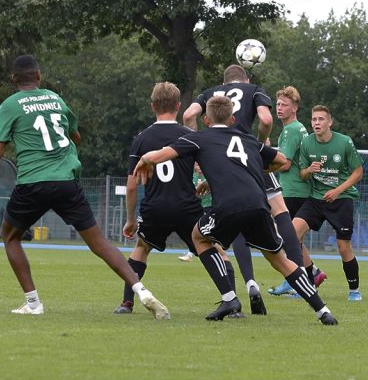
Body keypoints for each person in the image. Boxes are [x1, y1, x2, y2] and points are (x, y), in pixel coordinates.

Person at [0, 55, 169, 318]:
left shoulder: (10, 105)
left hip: (33, 182)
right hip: (66, 181)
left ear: (14, 79)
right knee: (99, 242)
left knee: (11, 237)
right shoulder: (55, 99)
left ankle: (33, 303)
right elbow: (76, 135)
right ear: (38, 76)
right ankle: (141, 290)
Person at [136, 96, 338, 324]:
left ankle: (229, 297)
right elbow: (281, 161)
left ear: (206, 119)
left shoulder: (199, 138)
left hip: (228, 207)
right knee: (281, 260)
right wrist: (252, 170)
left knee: (199, 237)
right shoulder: (248, 139)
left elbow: (162, 154)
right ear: (232, 119)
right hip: (259, 205)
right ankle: (323, 311)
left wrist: (145, 159)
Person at [182, 66, 309, 310]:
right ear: (246, 79)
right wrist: (259, 147)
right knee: (279, 210)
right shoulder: (254, 90)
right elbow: (266, 119)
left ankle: (250, 281)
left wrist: (199, 148)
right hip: (248, 155)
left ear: (224, 82)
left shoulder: (210, 93)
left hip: (221, 158)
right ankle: (299, 274)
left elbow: (188, 115)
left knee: (236, 213)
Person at [113, 82, 209, 314]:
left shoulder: (142, 138)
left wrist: (130, 219)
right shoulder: (189, 135)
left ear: (153, 106)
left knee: (141, 247)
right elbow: (209, 168)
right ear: (178, 106)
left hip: (155, 206)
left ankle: (127, 302)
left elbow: (132, 185)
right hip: (187, 206)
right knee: (211, 248)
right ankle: (231, 299)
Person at [294, 105, 364, 301]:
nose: (317, 123)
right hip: (316, 199)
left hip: (341, 199)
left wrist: (337, 191)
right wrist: (309, 170)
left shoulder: (344, 142)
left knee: (343, 247)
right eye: (314, 119)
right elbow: (302, 174)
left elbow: (358, 172)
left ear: (330, 122)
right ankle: (309, 281)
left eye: (321, 119)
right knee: (292, 233)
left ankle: (354, 290)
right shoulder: (307, 142)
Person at [268, 86, 327, 295]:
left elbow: (284, 164)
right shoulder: (298, 128)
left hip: (293, 190)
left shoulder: (291, 129)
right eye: (278, 104)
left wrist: (264, 163)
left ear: (295, 107)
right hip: (299, 189)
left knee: (285, 237)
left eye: (285, 104)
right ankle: (313, 273)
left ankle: (296, 279)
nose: (280, 108)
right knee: (292, 238)